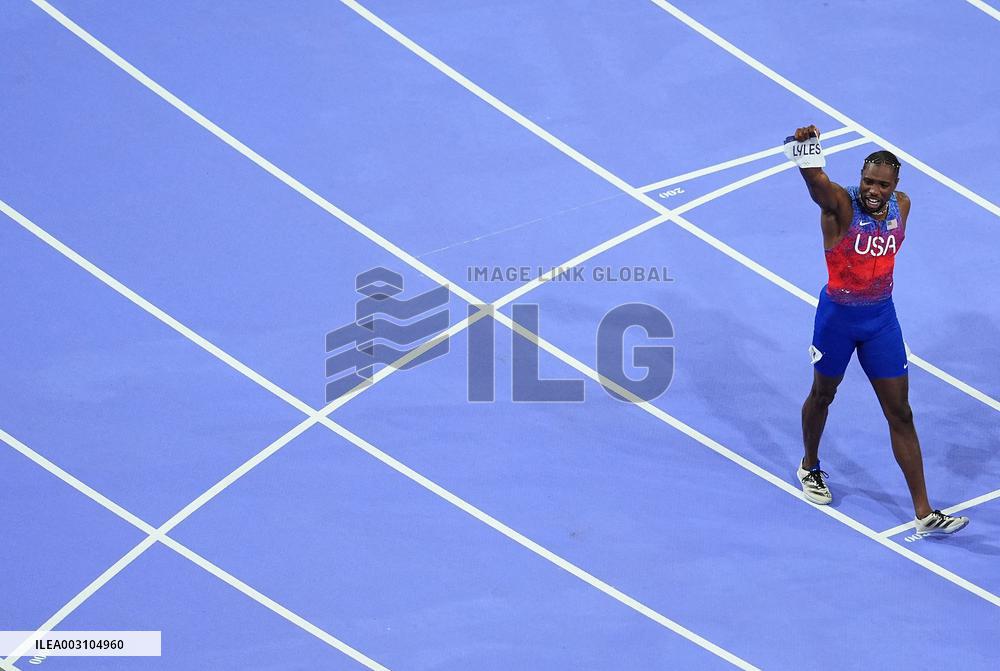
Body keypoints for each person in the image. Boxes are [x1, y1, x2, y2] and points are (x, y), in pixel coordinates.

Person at [787, 124, 967, 536]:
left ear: (895, 186)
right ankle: (809, 466)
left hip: (882, 320)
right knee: (823, 394)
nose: (873, 190)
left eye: (882, 185)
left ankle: (924, 513)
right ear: (860, 178)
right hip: (838, 320)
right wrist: (807, 150)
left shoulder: (902, 206)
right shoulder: (841, 207)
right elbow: (817, 185)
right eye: (868, 181)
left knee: (901, 412)